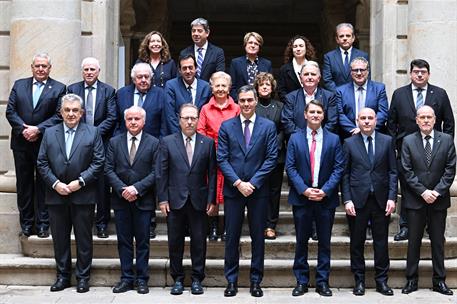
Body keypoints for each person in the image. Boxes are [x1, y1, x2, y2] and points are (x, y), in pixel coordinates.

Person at [36, 94, 104, 293]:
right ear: (61, 112)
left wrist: (80, 182)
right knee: (60, 239)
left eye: (75, 110)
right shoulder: (49, 133)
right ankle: (62, 276)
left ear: (82, 113)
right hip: (56, 195)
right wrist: (55, 183)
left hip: (83, 195)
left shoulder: (93, 133)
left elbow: (99, 161)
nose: (71, 114)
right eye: (67, 110)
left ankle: (83, 278)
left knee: (84, 239)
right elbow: (41, 162)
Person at [217, 85, 278, 298]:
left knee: (257, 238)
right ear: (238, 101)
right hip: (234, 192)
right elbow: (222, 158)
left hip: (258, 191)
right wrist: (237, 183)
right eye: (242, 100)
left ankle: (255, 281)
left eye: (250, 100)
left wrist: (252, 182)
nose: (246, 104)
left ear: (255, 101)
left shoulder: (268, 126)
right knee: (231, 237)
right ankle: (231, 281)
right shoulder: (226, 126)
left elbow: (271, 158)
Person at [387, 59, 455, 241]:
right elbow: (391, 123)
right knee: (408, 188)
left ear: (428, 74)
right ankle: (405, 226)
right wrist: (394, 149)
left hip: (434, 152)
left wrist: (445, 146)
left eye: (423, 72)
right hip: (406, 152)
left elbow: (449, 123)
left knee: (431, 187)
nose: (419, 74)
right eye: (416, 71)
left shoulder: (439, 94)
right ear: (410, 74)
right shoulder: (399, 94)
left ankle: (429, 227)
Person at [286, 100, 345, 297]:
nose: (315, 115)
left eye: (319, 112)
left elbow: (338, 168)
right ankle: (301, 281)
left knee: (325, 243)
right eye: (311, 111)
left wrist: (325, 190)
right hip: (302, 198)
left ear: (323, 115)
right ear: (305, 114)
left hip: (325, 199)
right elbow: (290, 167)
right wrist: (304, 190)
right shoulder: (294, 139)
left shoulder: (334, 139)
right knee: (301, 241)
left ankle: (322, 282)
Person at [158, 104, 217, 295]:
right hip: (175, 201)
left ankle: (197, 278)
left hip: (199, 201)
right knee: (175, 242)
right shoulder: (167, 142)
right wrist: (163, 199)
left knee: (199, 241)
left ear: (198, 119)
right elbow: (162, 173)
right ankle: (177, 278)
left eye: (193, 118)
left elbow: (212, 174)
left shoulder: (207, 143)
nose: (190, 121)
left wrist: (212, 199)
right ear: (179, 120)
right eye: (186, 118)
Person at [6, 52, 66, 238]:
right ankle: (26, 223)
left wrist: (37, 129)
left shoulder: (59, 88)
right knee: (24, 185)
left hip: (45, 144)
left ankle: (42, 225)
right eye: (37, 66)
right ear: (32, 67)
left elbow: (59, 115)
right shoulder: (19, 85)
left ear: (50, 68)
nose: (41, 69)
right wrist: (24, 129)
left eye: (44, 66)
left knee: (44, 185)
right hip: (21, 143)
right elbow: (10, 111)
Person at [401, 105, 455, 296]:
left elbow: (450, 170)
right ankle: (411, 280)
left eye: (429, 117)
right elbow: (406, 171)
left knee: (438, 243)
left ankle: (439, 281)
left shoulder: (447, 140)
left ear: (434, 120)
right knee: (413, 242)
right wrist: (423, 192)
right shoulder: (408, 141)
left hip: (438, 202)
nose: (425, 120)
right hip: (416, 201)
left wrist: (437, 192)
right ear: (416, 120)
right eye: (422, 117)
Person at [342, 108, 397, 296]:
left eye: (370, 118)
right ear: (357, 121)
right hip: (357, 201)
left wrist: (392, 197)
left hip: (381, 201)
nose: (366, 121)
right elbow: (345, 174)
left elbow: (392, 172)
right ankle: (359, 280)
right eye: (363, 118)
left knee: (381, 243)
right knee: (357, 243)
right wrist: (347, 199)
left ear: (376, 120)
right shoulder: (349, 143)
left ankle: (382, 281)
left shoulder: (387, 141)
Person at [105, 106, 159, 294]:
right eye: (130, 119)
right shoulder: (114, 142)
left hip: (143, 200)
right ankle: (127, 278)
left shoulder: (154, 143)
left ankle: (142, 279)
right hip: (121, 200)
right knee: (124, 241)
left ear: (143, 121)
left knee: (143, 242)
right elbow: (108, 169)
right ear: (125, 121)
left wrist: (137, 188)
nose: (133, 122)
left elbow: (156, 172)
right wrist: (122, 190)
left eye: (137, 119)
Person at [115, 62, 167, 238]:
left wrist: (161, 145)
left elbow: (164, 122)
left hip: (152, 147)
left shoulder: (161, 94)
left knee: (149, 184)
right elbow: (117, 121)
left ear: (152, 78)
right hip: (126, 147)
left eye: (147, 77)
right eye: (140, 77)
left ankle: (150, 223)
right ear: (133, 79)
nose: (143, 80)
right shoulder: (122, 94)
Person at [67, 57, 117, 239]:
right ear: (82, 71)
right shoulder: (72, 89)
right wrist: (84, 133)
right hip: (77, 144)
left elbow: (112, 118)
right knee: (80, 182)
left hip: (101, 144)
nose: (89, 72)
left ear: (98, 71)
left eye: (92, 69)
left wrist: (92, 133)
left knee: (102, 187)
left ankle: (102, 224)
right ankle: (81, 223)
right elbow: (68, 113)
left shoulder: (109, 91)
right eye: (86, 69)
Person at [197, 71, 240, 241]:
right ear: (212, 88)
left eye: (224, 85)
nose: (221, 89)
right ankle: (213, 227)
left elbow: (239, 131)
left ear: (229, 88)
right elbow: (200, 131)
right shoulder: (205, 109)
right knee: (212, 192)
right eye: (217, 86)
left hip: (231, 157)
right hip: (211, 155)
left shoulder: (236, 108)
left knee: (229, 193)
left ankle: (229, 227)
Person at [254, 72, 285, 240]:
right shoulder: (253, 105)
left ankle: (270, 225)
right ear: (257, 89)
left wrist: (274, 145)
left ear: (272, 88)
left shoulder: (280, 106)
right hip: (256, 156)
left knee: (274, 192)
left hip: (277, 157)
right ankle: (258, 223)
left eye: (267, 84)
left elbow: (283, 128)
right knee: (259, 191)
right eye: (261, 85)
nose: (265, 87)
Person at [281, 61, 338, 137]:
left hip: (323, 140)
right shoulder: (290, 98)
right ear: (301, 78)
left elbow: (332, 122)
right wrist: (304, 136)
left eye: (313, 74)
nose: (310, 77)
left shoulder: (329, 97)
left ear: (319, 78)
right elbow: (287, 122)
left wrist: (318, 136)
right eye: (306, 74)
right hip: (298, 141)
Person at [336, 57, 388, 139]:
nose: (359, 73)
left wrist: (367, 129)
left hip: (374, 136)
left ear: (367, 71)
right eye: (355, 70)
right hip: (349, 136)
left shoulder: (379, 88)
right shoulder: (340, 91)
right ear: (350, 72)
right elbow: (340, 114)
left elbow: (383, 113)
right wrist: (354, 130)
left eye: (362, 70)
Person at [164, 54, 212, 134]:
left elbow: (208, 114)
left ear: (196, 68)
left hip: (200, 135)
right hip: (178, 134)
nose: (188, 71)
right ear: (179, 70)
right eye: (184, 68)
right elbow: (170, 116)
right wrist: (180, 137)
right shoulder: (171, 86)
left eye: (190, 67)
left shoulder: (206, 87)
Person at [322, 23, 369, 92]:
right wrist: (340, 93)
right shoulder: (329, 57)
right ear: (337, 39)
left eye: (348, 36)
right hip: (336, 98)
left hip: (357, 95)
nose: (345, 38)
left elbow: (366, 78)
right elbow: (327, 80)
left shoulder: (363, 56)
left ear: (353, 38)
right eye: (341, 36)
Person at [229, 32, 272, 101]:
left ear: (259, 47)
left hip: (261, 102)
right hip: (241, 102)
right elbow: (232, 87)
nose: (253, 45)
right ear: (245, 44)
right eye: (250, 42)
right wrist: (239, 101)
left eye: (256, 44)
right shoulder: (235, 63)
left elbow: (270, 86)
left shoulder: (267, 64)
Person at [180, 17, 225, 82]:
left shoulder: (217, 52)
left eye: (199, 31)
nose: (195, 34)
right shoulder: (184, 52)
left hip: (209, 90)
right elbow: (180, 76)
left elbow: (220, 76)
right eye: (193, 31)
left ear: (207, 33)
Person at [277, 35, 317, 103]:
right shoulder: (284, 69)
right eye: (295, 46)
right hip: (292, 107)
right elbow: (281, 92)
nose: (298, 49)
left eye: (301, 46)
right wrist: (291, 103)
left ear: (306, 48)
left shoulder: (314, 67)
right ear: (291, 49)